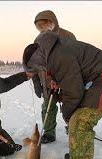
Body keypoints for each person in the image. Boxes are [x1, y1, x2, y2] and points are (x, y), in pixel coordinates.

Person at [23, 32, 102, 159]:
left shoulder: (58, 56)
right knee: (76, 117)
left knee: (80, 120)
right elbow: (72, 75)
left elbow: (74, 92)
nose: (39, 71)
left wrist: (66, 114)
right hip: (93, 81)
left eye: (37, 68)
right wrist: (59, 81)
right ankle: (79, 155)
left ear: (37, 60)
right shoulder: (52, 52)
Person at [32, 10, 77, 144]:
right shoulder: (38, 40)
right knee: (48, 106)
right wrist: (36, 82)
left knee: (71, 106)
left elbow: (74, 59)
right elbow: (34, 62)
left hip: (66, 80)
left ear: (51, 22)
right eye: (38, 26)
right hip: (46, 81)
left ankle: (74, 129)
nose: (40, 28)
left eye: (42, 25)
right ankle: (49, 132)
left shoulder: (67, 36)